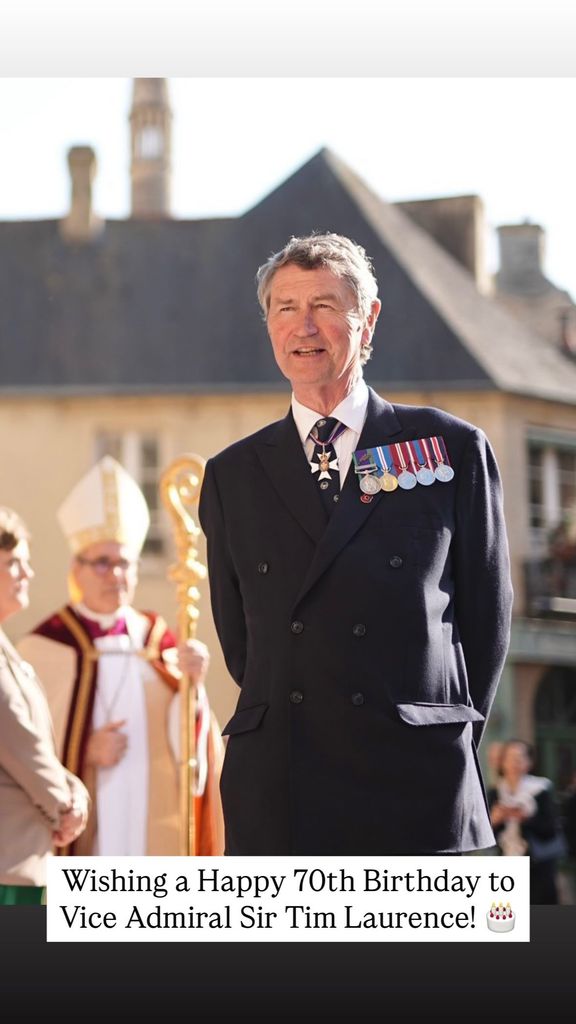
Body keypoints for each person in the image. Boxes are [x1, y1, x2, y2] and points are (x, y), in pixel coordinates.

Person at [199, 231, 514, 856]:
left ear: (366, 320)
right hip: (283, 788)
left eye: (324, 305)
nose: (303, 326)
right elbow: (241, 642)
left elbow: (487, 619)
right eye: (285, 308)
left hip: (417, 782)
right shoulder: (232, 475)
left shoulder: (449, 450)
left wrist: (433, 724)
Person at [19, 457, 224, 856]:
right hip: (88, 829)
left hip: (154, 823)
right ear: (75, 570)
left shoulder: (158, 641)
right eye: (102, 563)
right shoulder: (44, 648)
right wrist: (80, 752)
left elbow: (192, 755)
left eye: (124, 563)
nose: (114, 575)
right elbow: (19, 750)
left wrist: (193, 690)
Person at [0, 507, 88, 904]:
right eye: (14, 563)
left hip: (23, 859)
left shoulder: (8, 650)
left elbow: (34, 742)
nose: (27, 573)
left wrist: (74, 790)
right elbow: (17, 740)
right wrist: (65, 805)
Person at [488, 739, 563, 904]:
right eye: (511, 757)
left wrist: (525, 818)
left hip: (539, 865)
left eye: (520, 757)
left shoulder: (541, 790)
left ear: (529, 762)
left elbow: (550, 828)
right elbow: (486, 836)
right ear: (503, 762)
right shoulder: (495, 793)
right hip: (507, 866)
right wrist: (494, 820)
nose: (515, 762)